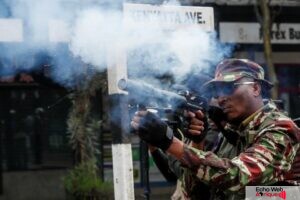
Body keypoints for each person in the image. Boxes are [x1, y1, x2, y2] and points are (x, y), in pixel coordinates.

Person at [131, 58, 300, 199]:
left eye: (229, 88)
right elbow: (195, 193)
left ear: (255, 88)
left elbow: (238, 176)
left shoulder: (281, 128)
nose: (221, 98)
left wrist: (169, 142)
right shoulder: (231, 133)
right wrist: (197, 142)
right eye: (217, 92)